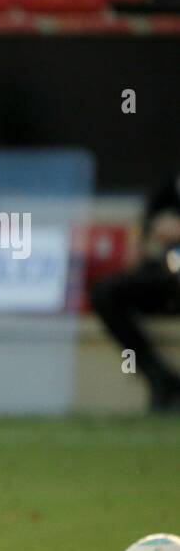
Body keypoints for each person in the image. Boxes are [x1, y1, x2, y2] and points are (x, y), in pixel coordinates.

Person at [89, 170, 180, 411]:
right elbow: (147, 214)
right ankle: (159, 377)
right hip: (171, 277)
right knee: (105, 293)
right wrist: (137, 243)